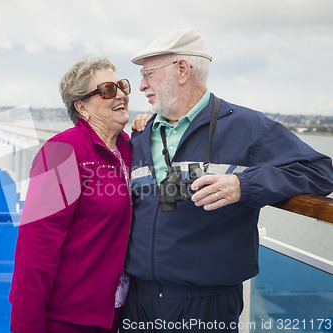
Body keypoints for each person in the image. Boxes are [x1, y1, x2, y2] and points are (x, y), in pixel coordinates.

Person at [121, 29, 333, 332]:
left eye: (149, 74)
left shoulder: (249, 128)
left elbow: (320, 170)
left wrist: (244, 186)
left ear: (181, 70)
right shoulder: (143, 134)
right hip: (139, 300)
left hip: (206, 306)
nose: (141, 85)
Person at [10, 56, 133, 333]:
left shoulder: (130, 149)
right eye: (108, 90)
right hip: (72, 318)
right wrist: (26, 327)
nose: (122, 94)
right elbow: (36, 250)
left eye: (123, 86)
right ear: (82, 107)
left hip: (122, 312)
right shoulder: (61, 152)